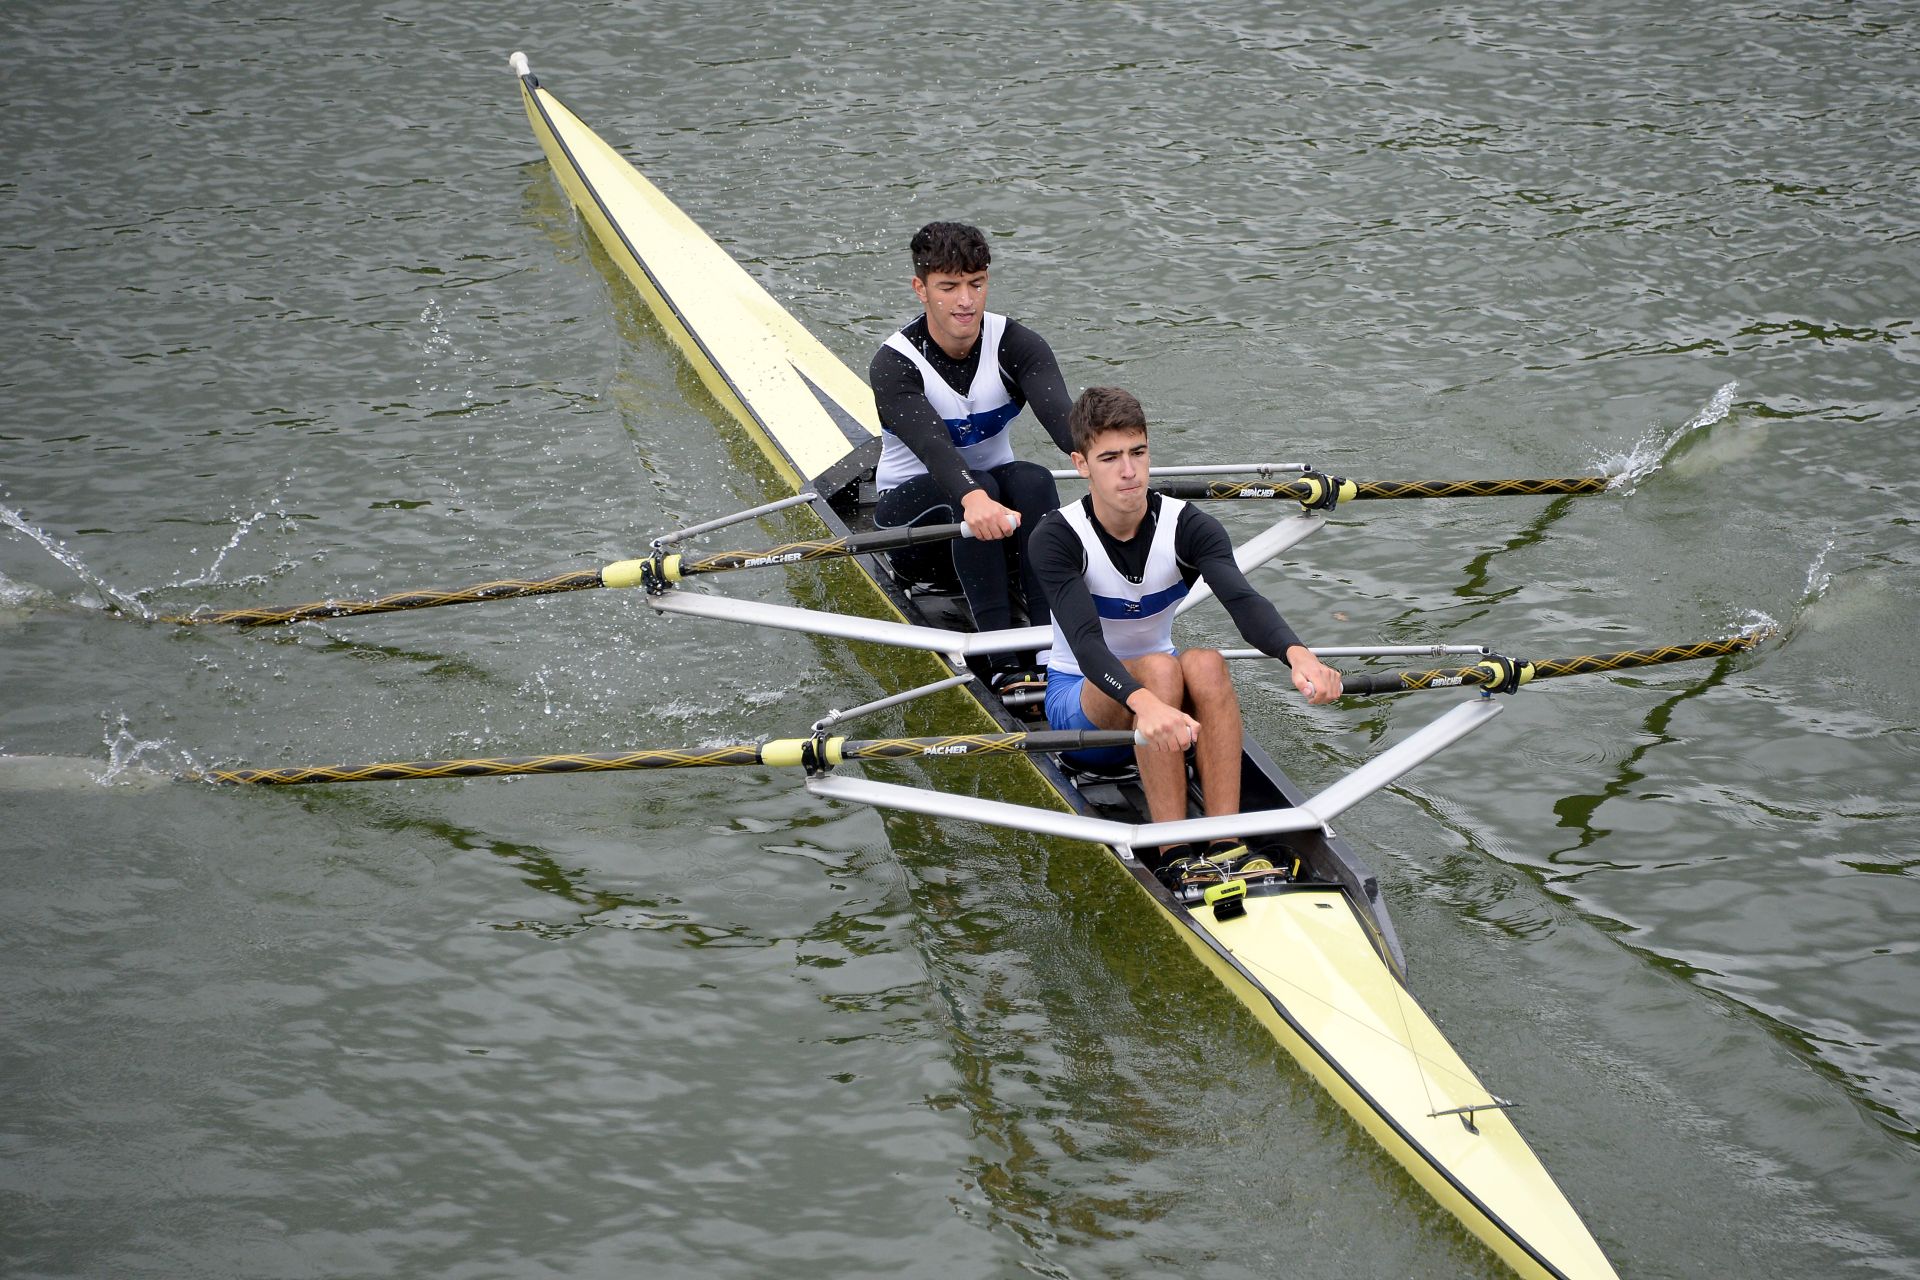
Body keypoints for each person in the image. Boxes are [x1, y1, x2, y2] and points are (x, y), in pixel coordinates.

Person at [1031, 386, 1344, 877]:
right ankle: (1174, 854)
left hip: (1163, 695)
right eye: (1110, 458)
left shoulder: (1189, 527)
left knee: (1206, 662)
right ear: (1081, 464)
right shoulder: (1057, 537)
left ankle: (1226, 843)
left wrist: (1299, 655)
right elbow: (1087, 643)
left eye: (1138, 452)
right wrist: (1145, 703)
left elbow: (1243, 601)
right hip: (1081, 704)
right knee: (1160, 670)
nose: (1129, 471)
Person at [869, 221, 1075, 655]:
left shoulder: (1017, 345)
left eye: (976, 284)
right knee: (980, 486)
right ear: (921, 289)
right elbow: (934, 448)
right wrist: (973, 497)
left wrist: (1111, 463)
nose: (966, 300)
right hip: (913, 530)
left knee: (1035, 479)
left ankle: (1052, 647)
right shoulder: (895, 364)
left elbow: (1066, 424)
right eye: (949, 287)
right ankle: (999, 659)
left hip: (995, 519)